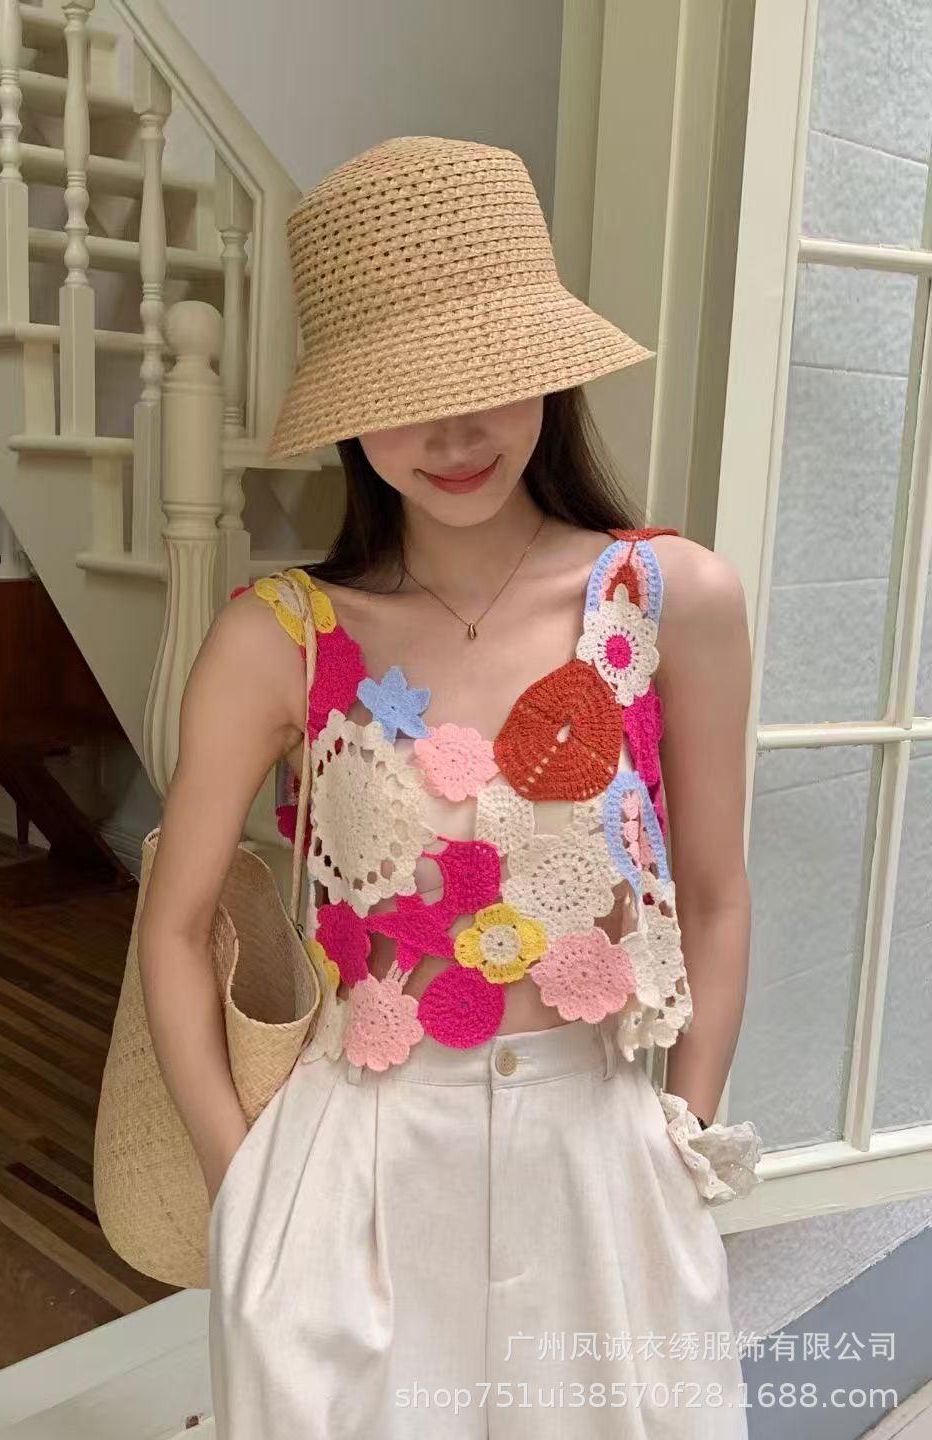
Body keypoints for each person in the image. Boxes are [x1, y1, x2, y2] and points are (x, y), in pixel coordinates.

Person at [138, 136, 764, 1439]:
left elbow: (713, 894)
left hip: (602, 1168)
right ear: (345, 408)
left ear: (548, 369)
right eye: (404, 390)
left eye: (488, 375)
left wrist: (682, 1134)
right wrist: (242, 1184)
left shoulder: (671, 599)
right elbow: (175, 923)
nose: (455, 431)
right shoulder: (278, 636)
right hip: (354, 1168)